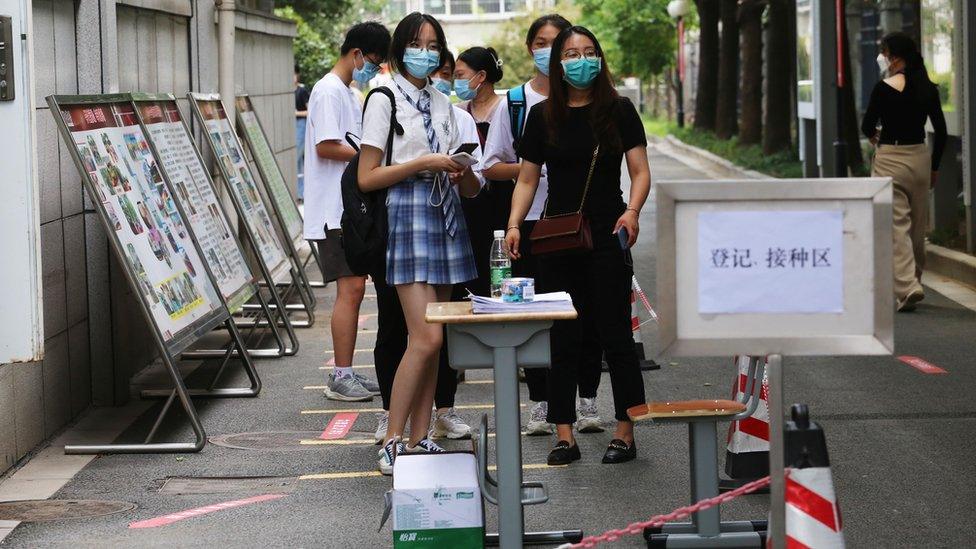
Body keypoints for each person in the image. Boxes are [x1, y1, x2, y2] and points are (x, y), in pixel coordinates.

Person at [505, 25, 650, 465]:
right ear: (558, 63)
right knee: (562, 336)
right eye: (571, 53)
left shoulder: (619, 111)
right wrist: (514, 224)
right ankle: (564, 434)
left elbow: (640, 171)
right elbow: (528, 177)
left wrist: (633, 211)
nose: (580, 60)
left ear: (600, 59)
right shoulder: (543, 115)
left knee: (613, 334)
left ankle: (625, 430)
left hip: (608, 232)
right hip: (556, 237)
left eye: (588, 52)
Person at [359, 12, 482, 474]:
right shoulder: (384, 98)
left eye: (434, 45)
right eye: (417, 43)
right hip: (407, 214)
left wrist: (462, 170)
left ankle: (420, 437)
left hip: (446, 215)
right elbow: (368, 176)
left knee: (438, 339)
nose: (426, 52)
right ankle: (391, 440)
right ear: (399, 47)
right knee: (425, 336)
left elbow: (469, 188)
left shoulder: (444, 102)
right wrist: (421, 163)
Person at [481, 14, 605, 437]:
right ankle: (541, 403)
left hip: (578, 224)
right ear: (530, 48)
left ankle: (586, 400)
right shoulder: (514, 103)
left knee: (585, 315)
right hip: (532, 225)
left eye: (560, 43)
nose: (550, 50)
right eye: (542, 42)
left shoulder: (597, 105)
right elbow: (491, 166)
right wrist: (535, 163)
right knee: (534, 318)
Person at [305, 21, 390, 401]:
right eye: (372, 60)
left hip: (347, 209)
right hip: (333, 211)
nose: (372, 68)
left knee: (354, 289)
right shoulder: (327, 91)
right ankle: (340, 375)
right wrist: (371, 157)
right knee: (351, 288)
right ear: (356, 53)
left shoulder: (347, 92)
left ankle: (347, 371)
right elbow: (327, 145)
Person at [861, 32, 947, 313]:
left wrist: (876, 139)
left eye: (884, 53)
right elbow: (942, 132)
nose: (883, 58)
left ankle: (908, 286)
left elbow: (866, 126)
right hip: (920, 158)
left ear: (894, 57)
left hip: (890, 159)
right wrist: (933, 166)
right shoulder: (927, 88)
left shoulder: (882, 88)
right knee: (917, 226)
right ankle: (915, 280)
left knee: (895, 225)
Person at [295, 66, 311, 201]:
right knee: (298, 162)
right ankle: (301, 193)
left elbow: (310, 111)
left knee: (297, 158)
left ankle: (302, 193)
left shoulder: (302, 91)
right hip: (293, 126)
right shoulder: (289, 92)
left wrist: (296, 113)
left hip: (300, 124)